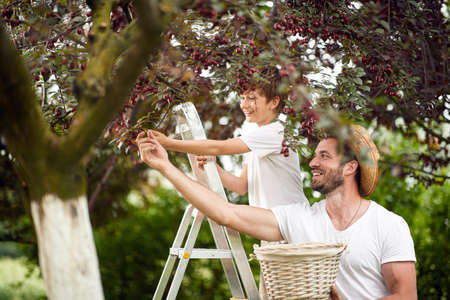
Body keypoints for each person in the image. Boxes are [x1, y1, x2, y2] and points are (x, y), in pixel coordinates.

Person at [136, 125, 417, 299]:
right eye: (314, 154)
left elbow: (405, 296)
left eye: (324, 156)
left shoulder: (388, 225)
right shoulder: (299, 218)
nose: (312, 162)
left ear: (350, 167)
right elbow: (226, 213)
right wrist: (166, 167)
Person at [146, 67, 308, 210]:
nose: (244, 104)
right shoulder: (256, 140)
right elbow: (242, 186)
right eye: (242, 98)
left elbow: (220, 148)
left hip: (293, 225)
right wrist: (215, 168)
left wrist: (168, 143)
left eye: (251, 98)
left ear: (273, 102)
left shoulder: (276, 131)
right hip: (274, 231)